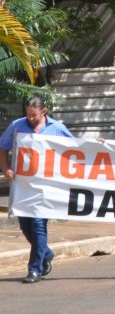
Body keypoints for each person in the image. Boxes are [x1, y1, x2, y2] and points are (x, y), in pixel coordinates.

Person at [0, 97, 75, 283]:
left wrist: (98, 144)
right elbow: (2, 146)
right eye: (28, 114)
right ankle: (46, 253)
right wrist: (5, 167)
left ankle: (34, 269)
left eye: (34, 115)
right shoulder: (17, 126)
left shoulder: (57, 128)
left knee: (38, 224)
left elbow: (78, 148)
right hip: (23, 186)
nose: (31, 118)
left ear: (44, 112)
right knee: (25, 226)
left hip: (46, 188)